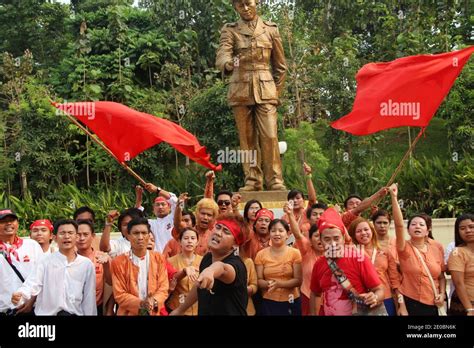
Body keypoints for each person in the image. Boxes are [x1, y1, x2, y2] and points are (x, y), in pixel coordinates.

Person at [216, 0, 287, 191]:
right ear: (235, 8)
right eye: (240, 5)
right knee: (246, 139)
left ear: (257, 3)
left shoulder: (271, 29)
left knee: (270, 135)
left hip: (266, 90)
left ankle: (275, 180)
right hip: (241, 89)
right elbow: (223, 53)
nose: (245, 8)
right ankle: (252, 180)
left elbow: (280, 67)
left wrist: (274, 93)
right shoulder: (230, 30)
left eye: (248, 3)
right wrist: (228, 64)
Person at [12, 219, 97, 315]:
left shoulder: (86, 264)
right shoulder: (45, 262)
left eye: (70, 233)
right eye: (62, 233)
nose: (67, 236)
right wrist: (21, 295)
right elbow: (32, 283)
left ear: (76, 237)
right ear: (55, 238)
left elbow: (89, 298)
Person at [309, 208, 384, 316]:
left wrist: (374, 297)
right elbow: (315, 294)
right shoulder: (319, 264)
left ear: (343, 238)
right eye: (327, 239)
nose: (333, 244)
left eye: (336, 238)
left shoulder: (359, 259)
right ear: (320, 241)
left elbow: (379, 290)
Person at [170, 213, 248, 315]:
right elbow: (199, 286)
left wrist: (210, 270)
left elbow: (223, 268)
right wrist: (180, 310)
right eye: (218, 227)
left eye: (226, 231)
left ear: (235, 244)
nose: (218, 233)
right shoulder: (207, 258)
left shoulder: (236, 265)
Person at [390, 184, 446, 316]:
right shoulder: (404, 248)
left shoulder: (437, 247)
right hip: (411, 302)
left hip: (435, 303)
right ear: (408, 229)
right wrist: (394, 197)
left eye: (421, 224)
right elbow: (398, 225)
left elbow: (441, 276)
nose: (417, 226)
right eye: (413, 224)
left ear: (428, 230)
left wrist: (442, 294)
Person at [110, 217, 169, 316]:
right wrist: (141, 304)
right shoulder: (118, 262)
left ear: (149, 235)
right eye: (136, 233)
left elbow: (164, 287)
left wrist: (153, 301)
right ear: (128, 236)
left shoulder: (159, 258)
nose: (140, 237)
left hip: (154, 311)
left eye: (144, 233)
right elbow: (119, 294)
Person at [348, 217, 400, 316]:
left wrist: (400, 303)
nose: (363, 233)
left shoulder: (385, 251)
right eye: (358, 231)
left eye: (366, 229)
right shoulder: (350, 253)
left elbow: (394, 280)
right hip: (362, 299)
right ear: (353, 235)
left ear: (372, 231)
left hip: (386, 298)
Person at [0, 209, 43, 316]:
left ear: (17, 224)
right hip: (4, 309)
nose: (9, 223)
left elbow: (41, 275)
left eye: (12, 220)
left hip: (31, 307)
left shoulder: (32, 245)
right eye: (4, 221)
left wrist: (31, 300)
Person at [255, 218, 302, 315]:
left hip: (291, 299)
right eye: (273, 231)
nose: (277, 234)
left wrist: (279, 284)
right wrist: (270, 284)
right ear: (269, 233)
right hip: (269, 301)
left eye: (281, 231)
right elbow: (259, 280)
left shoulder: (295, 253)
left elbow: (298, 280)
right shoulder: (261, 254)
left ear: (287, 234)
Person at [286, 203, 324, 315]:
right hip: (307, 298)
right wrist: (290, 214)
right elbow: (297, 234)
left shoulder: (334, 255)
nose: (320, 239)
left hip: (330, 300)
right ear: (310, 239)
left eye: (323, 236)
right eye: (316, 236)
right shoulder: (307, 251)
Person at [76, 219, 111, 315]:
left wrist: (107, 264)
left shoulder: (102, 257)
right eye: (78, 235)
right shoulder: (69, 259)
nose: (81, 238)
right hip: (75, 308)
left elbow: (111, 283)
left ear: (93, 236)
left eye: (85, 234)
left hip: (98, 307)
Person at [167, 228, 203, 316]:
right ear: (179, 241)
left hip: (198, 308)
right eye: (186, 238)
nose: (189, 241)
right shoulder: (170, 261)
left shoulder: (203, 261)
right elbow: (166, 284)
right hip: (176, 307)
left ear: (197, 242)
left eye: (193, 238)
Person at [448, 213, 474, 316]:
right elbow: (458, 283)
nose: (468, 231)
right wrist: (469, 309)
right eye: (462, 228)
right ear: (458, 232)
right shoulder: (457, 253)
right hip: (465, 305)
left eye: (471, 227)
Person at [140, 183, 178, 253]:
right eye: (157, 205)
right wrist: (139, 199)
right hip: (157, 259)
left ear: (169, 207)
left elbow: (176, 202)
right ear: (153, 209)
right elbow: (135, 217)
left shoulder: (174, 218)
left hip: (172, 257)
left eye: (163, 204)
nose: (160, 207)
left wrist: (157, 190)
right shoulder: (150, 223)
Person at [281, 162, 317, 235]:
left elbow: (312, 199)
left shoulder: (308, 213)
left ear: (303, 200)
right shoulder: (284, 218)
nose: (295, 200)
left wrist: (308, 176)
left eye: (298, 198)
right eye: (292, 198)